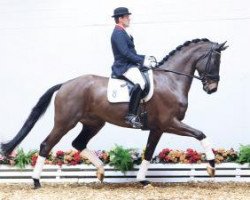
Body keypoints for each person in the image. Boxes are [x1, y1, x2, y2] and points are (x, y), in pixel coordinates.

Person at [110, 7, 155, 128]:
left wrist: (145, 58)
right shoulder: (118, 33)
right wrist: (142, 60)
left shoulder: (123, 31)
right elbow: (125, 53)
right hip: (123, 66)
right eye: (126, 16)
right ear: (120, 19)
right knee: (141, 83)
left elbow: (132, 53)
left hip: (130, 64)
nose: (129, 18)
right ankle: (131, 115)